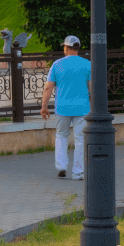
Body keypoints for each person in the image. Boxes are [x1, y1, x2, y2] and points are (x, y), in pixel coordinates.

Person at [41, 35, 92, 181]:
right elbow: (92, 87)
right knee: (80, 140)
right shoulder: (87, 64)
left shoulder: (57, 65)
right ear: (77, 48)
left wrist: (44, 106)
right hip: (82, 108)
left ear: (67, 48)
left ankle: (61, 166)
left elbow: (48, 87)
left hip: (62, 108)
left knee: (61, 136)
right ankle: (78, 173)